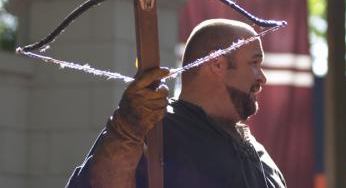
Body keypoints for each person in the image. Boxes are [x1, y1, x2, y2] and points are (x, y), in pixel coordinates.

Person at [66, 18, 286, 188]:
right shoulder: (155, 128)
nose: (262, 78)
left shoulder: (259, 153)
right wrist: (127, 130)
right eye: (255, 63)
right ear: (217, 64)